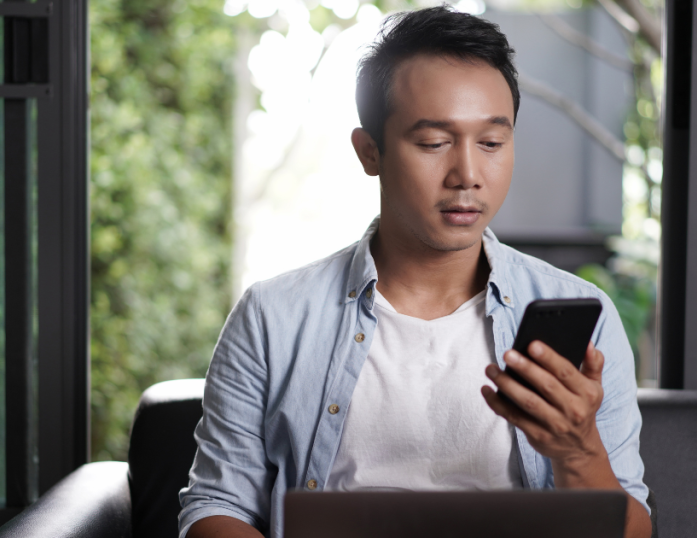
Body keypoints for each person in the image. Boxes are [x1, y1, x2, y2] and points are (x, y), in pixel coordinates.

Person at [179, 5, 652, 538]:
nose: (468, 175)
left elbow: (633, 530)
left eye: (492, 143)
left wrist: (577, 449)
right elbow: (217, 506)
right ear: (370, 152)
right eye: (433, 143)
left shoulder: (586, 317)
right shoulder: (272, 317)